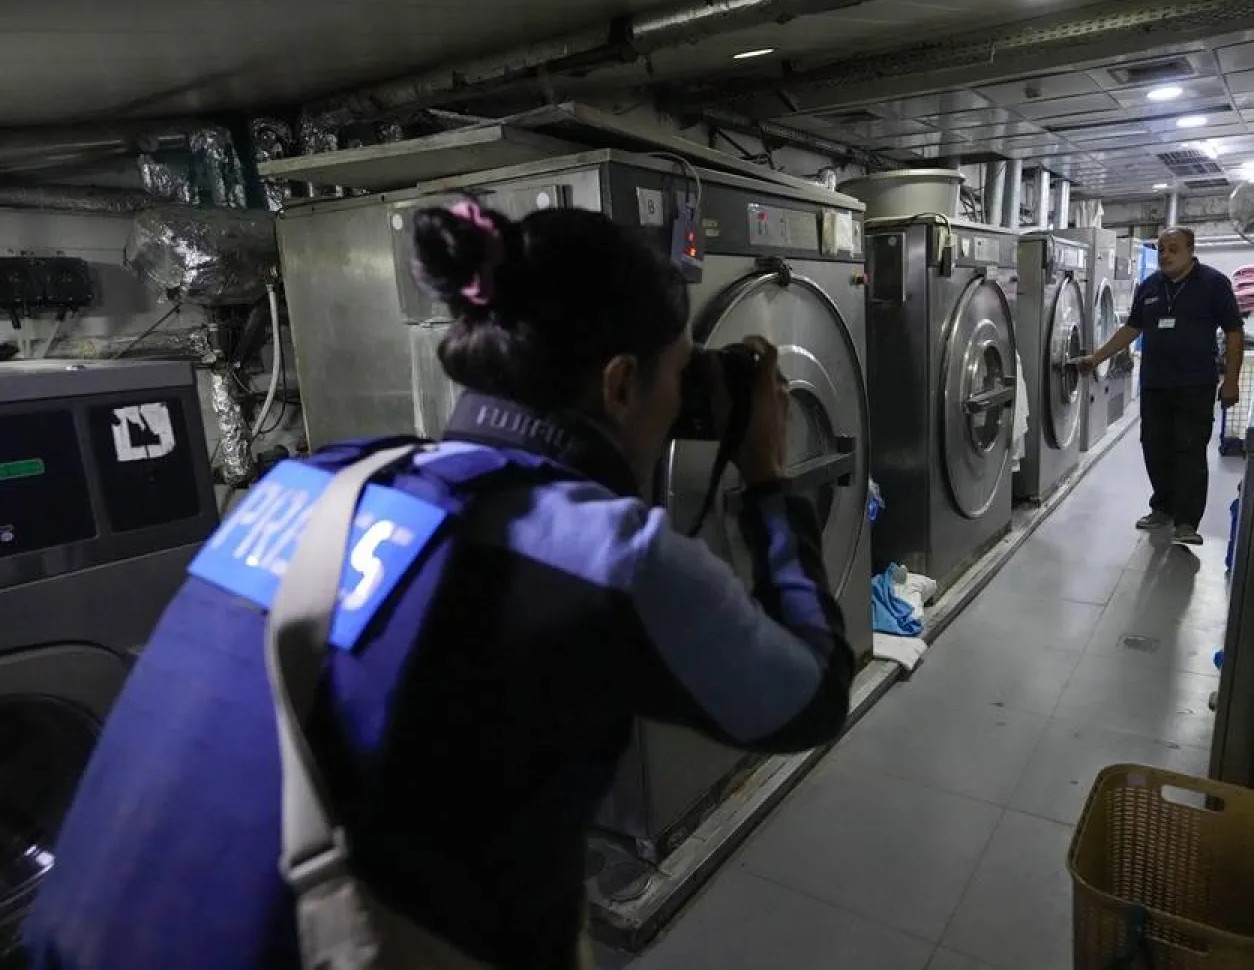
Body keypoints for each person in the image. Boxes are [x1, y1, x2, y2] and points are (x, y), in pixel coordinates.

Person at [22, 200, 854, 970]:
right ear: (620, 385)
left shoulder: (306, 486)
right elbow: (808, 696)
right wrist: (771, 481)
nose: (686, 401)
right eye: (679, 378)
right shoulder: (600, 554)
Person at [1078, 226, 1243, 546]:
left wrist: (1232, 381)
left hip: (1196, 384)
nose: (1165, 255)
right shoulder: (1150, 286)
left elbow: (1234, 332)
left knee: (1190, 450)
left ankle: (1186, 522)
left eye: (1173, 248)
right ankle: (1162, 508)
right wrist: (1097, 357)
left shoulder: (1213, 284)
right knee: (1155, 448)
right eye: (1162, 249)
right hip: (1155, 383)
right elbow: (1132, 328)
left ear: (1190, 251)